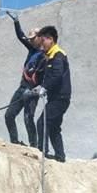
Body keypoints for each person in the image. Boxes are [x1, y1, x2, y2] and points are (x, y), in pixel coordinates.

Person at [4, 14, 46, 146]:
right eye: (30, 39)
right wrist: (16, 22)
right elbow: (21, 36)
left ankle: (34, 146)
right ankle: (15, 142)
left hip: (32, 90)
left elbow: (46, 76)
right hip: (22, 87)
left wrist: (38, 90)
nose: (31, 41)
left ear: (40, 38)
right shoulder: (32, 49)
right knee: (9, 115)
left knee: (28, 118)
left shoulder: (45, 55)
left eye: (33, 38)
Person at [31, 25, 71, 162]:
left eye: (43, 41)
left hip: (59, 99)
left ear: (50, 39)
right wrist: (40, 86)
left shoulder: (57, 55)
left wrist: (44, 87)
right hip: (58, 98)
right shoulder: (51, 55)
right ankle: (60, 157)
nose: (42, 45)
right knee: (54, 128)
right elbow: (52, 76)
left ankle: (43, 155)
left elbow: (57, 75)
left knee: (42, 123)